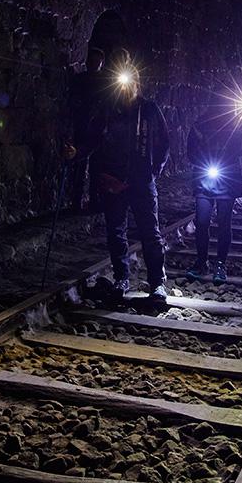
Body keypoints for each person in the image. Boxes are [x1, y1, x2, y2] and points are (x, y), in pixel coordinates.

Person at [64, 60, 170, 300]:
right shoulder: (108, 110)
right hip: (113, 180)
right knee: (115, 232)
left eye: (129, 83)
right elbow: (92, 139)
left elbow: (163, 142)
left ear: (137, 84)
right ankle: (122, 278)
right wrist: (77, 152)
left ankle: (157, 283)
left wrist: (154, 171)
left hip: (142, 182)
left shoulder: (149, 109)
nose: (125, 88)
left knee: (150, 233)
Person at [185, 103, 242, 283]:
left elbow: (241, 147)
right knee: (202, 222)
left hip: (227, 178)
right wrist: (202, 161)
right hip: (205, 178)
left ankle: (220, 263)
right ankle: (201, 261)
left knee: (224, 223)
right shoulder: (200, 124)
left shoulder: (235, 126)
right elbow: (191, 150)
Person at [66, 47, 105, 211]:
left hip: (98, 128)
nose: (94, 63)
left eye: (97, 61)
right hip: (82, 126)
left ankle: (94, 199)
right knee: (79, 164)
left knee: (97, 166)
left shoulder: (105, 81)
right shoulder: (80, 80)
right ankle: (77, 200)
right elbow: (73, 100)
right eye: (92, 60)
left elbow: (108, 104)